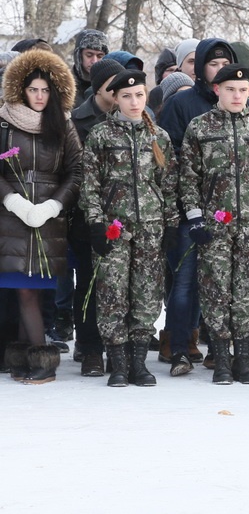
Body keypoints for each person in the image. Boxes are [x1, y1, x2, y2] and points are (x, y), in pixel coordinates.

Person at [179, 64, 249, 384]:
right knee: (216, 290)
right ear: (217, 90)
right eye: (231, 89)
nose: (237, 95)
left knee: (248, 292)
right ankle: (222, 358)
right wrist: (195, 218)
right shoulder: (200, 127)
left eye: (243, 89)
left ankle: (243, 359)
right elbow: (189, 177)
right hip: (215, 225)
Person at [80, 69, 178, 387]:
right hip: (114, 229)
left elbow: (169, 186)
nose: (134, 102)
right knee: (112, 295)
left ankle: (138, 363)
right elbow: (90, 186)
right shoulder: (101, 136)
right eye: (126, 96)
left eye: (139, 95)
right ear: (116, 99)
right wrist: (96, 223)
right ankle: (118, 363)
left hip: (150, 229)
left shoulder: (158, 137)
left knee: (146, 296)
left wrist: (171, 226)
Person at [0, 49, 82, 383]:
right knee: (21, 290)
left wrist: (53, 206)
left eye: (45, 90)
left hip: (48, 222)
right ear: (22, 89)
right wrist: (13, 201)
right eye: (33, 89)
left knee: (31, 291)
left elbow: (76, 171)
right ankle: (24, 356)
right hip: (11, 220)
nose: (39, 96)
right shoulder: (4, 122)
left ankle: (42, 361)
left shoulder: (63, 123)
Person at [158, 38, 235, 376]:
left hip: (230, 210)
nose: (220, 70)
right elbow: (170, 154)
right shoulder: (182, 104)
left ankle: (217, 345)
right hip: (190, 209)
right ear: (202, 69)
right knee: (185, 280)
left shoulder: (239, 103)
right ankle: (179, 345)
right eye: (213, 64)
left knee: (222, 282)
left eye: (225, 63)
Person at [67, 58, 125, 376]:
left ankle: (118, 345)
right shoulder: (77, 120)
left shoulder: (131, 116)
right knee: (88, 283)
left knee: (119, 285)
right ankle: (89, 348)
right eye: (113, 84)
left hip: (124, 216)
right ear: (99, 87)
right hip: (86, 216)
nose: (121, 91)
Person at [70, 29, 109, 108]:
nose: (94, 61)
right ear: (79, 55)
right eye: (89, 55)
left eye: (99, 56)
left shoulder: (111, 87)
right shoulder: (64, 85)